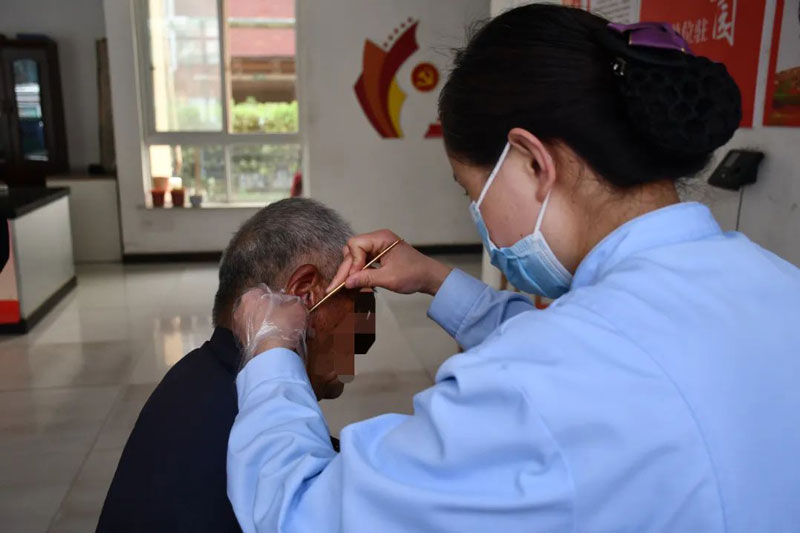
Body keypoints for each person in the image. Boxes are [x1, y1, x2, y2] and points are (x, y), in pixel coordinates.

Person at [226, 6, 800, 533]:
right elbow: (613, 349)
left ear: (531, 163)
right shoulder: (776, 285)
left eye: (470, 191)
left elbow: (299, 513)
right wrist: (433, 278)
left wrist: (272, 351)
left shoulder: (528, 392)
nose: (476, 214)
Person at [97, 198, 372, 532]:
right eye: (359, 304)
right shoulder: (259, 443)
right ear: (305, 294)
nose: (363, 332)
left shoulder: (190, 377)